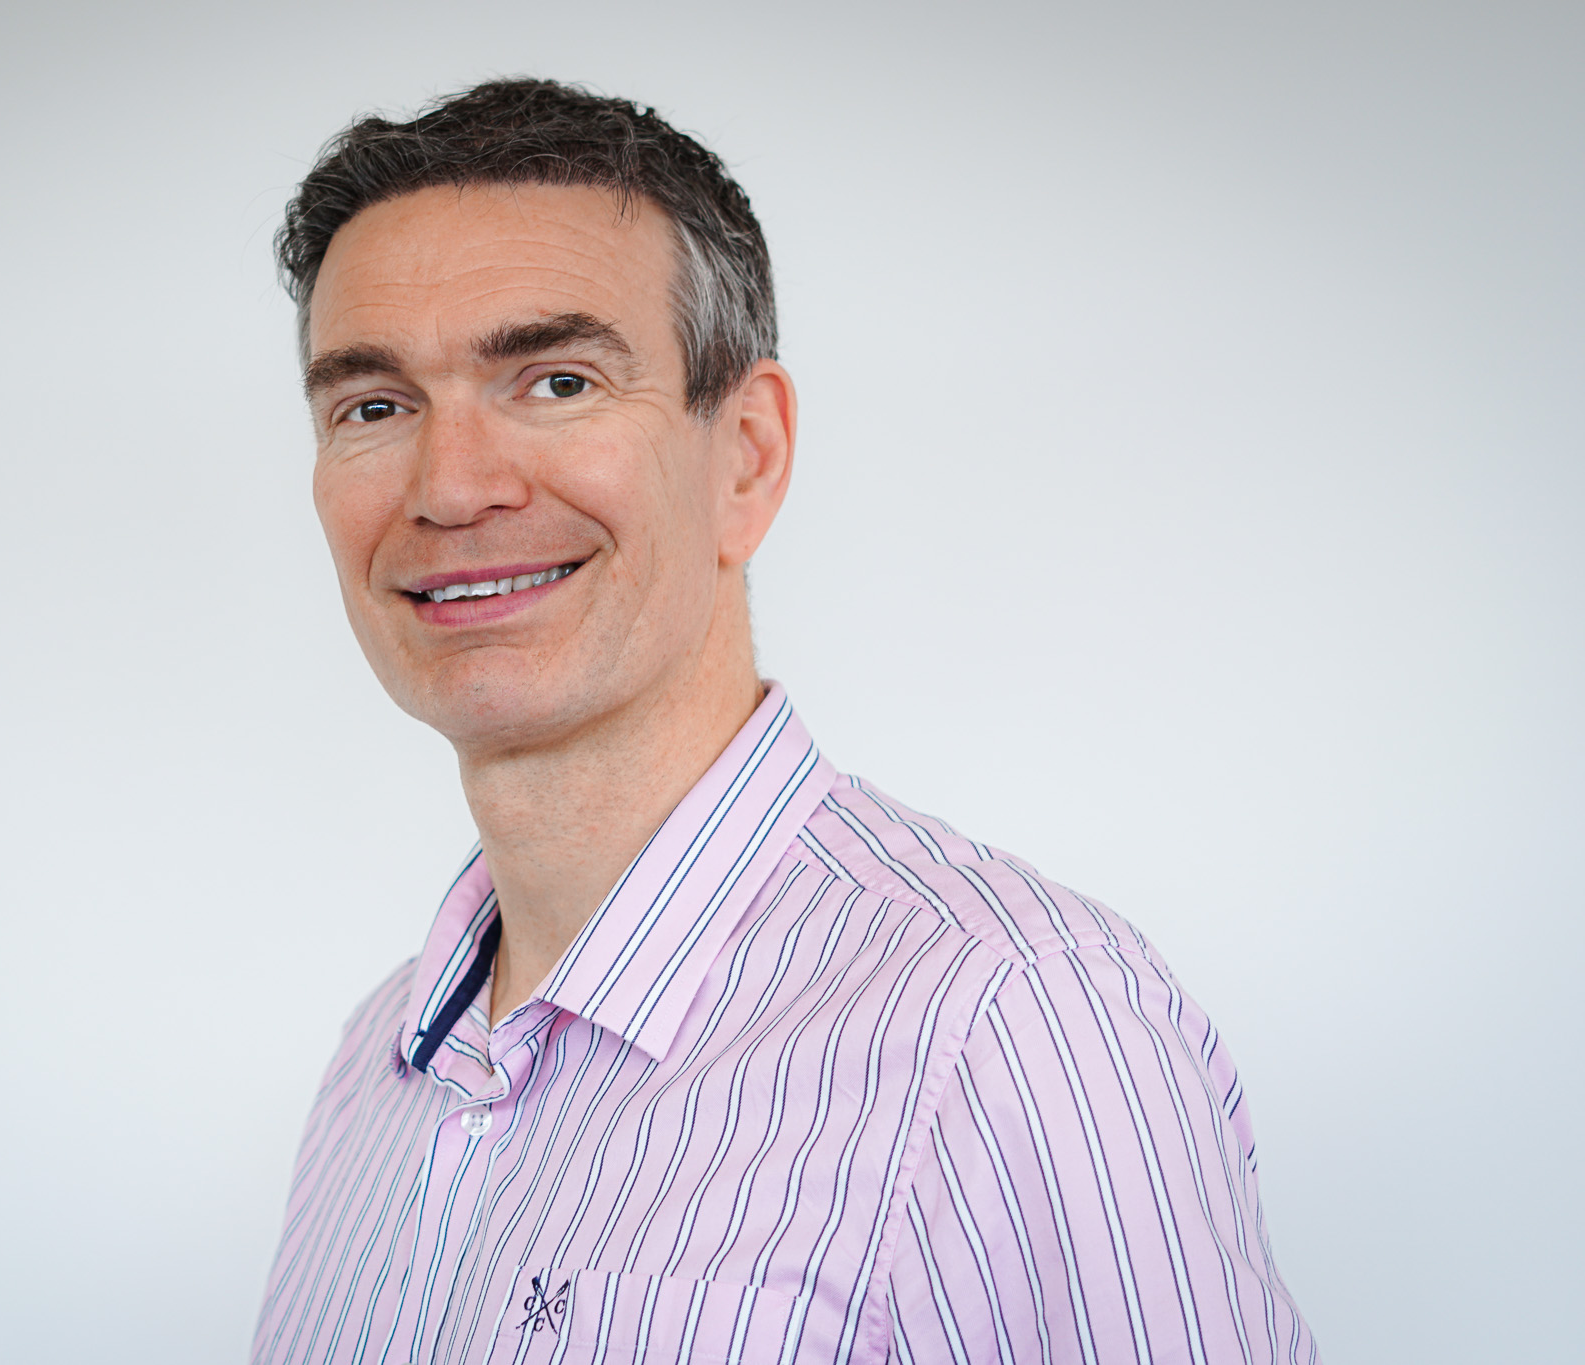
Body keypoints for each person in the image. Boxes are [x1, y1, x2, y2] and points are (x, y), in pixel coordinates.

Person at [252, 79, 1313, 1365]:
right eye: (372, 406)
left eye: (556, 382)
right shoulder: (373, 1070)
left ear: (746, 455)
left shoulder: (1010, 1027)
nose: (452, 486)